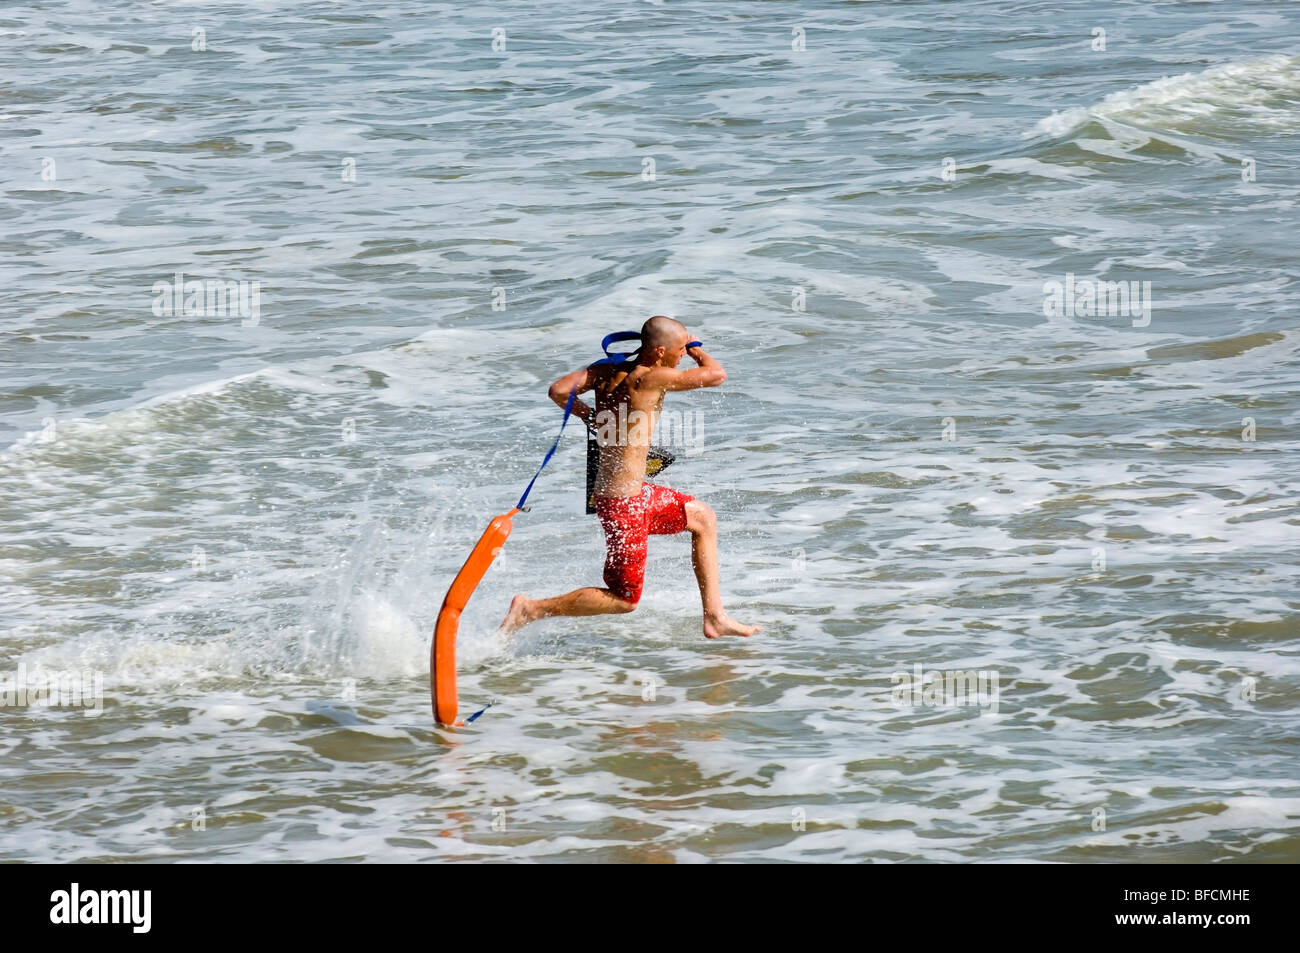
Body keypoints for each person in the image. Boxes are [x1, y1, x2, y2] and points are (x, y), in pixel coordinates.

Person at [499, 315, 760, 639]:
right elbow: (716, 375)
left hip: (631, 493)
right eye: (678, 351)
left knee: (703, 518)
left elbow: (559, 390)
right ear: (661, 351)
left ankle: (715, 617)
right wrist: (696, 349)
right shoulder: (651, 378)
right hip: (625, 504)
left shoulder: (606, 373)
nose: (681, 357)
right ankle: (531, 609)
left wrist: (589, 416)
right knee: (624, 599)